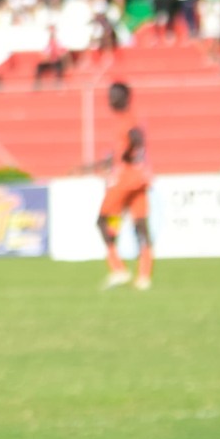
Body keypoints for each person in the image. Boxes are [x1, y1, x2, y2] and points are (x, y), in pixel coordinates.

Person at [96, 81, 154, 290]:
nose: (110, 99)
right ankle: (144, 276)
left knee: (102, 221)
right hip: (139, 177)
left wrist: (130, 155)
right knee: (141, 226)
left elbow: (136, 138)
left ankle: (118, 269)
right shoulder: (129, 118)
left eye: (114, 95)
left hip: (126, 178)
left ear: (124, 97)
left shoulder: (126, 119)